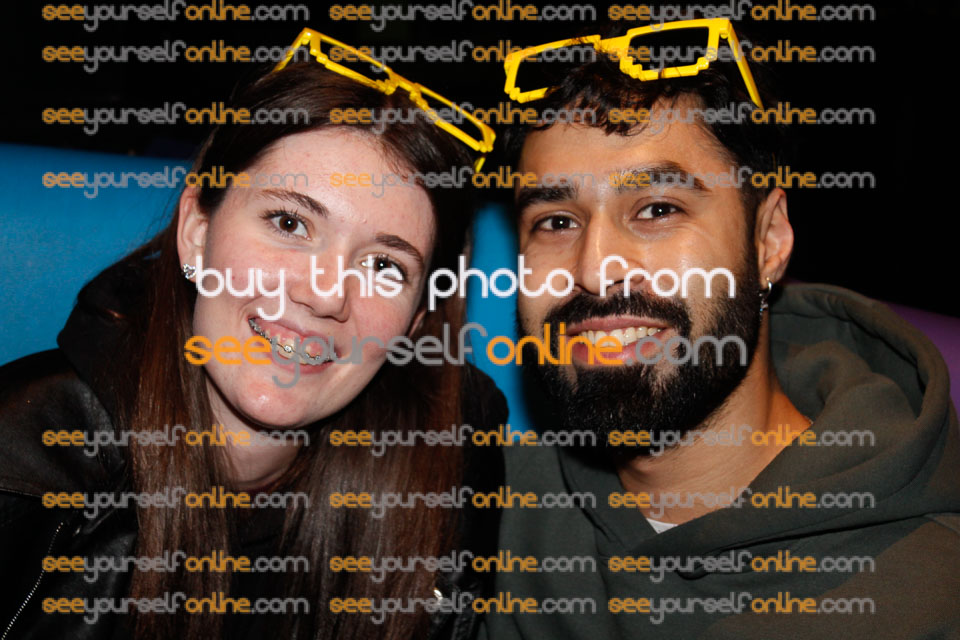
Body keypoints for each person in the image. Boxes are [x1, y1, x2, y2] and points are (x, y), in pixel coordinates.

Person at [0, 30, 504, 640]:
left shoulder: (452, 462)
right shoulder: (27, 463)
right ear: (196, 232)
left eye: (384, 265)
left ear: (416, 319)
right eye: (289, 223)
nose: (325, 294)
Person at [479, 18, 960, 640]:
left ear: (769, 240)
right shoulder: (479, 513)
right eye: (555, 221)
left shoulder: (933, 592)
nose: (595, 270)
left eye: (657, 209)